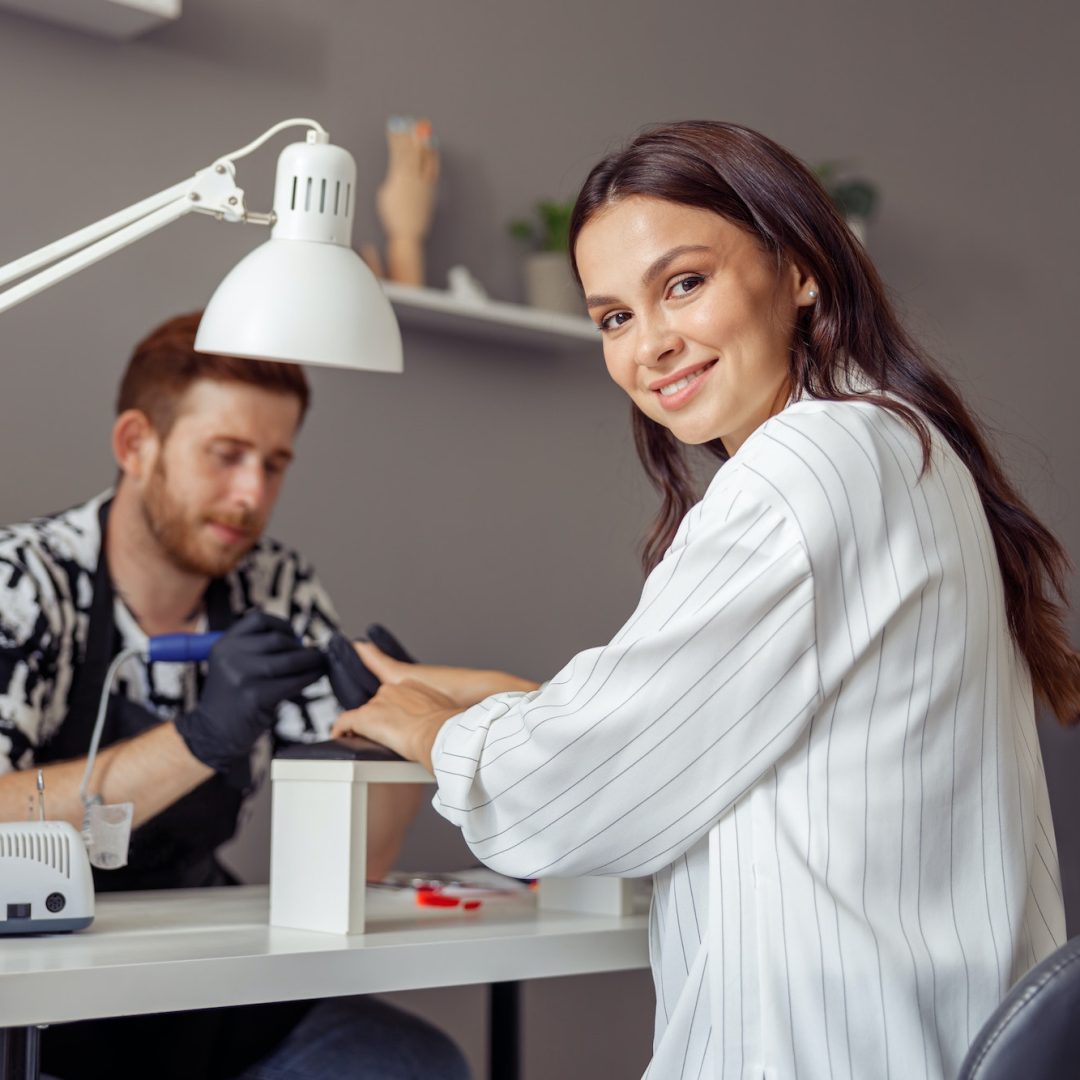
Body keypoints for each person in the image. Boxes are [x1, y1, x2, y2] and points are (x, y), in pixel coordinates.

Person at [332, 121, 1080, 1080]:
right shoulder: (899, 448)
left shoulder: (809, 463)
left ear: (799, 269)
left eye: (684, 283)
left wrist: (434, 731)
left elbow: (567, 803)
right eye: (613, 318)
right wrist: (516, 702)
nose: (652, 345)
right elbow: (760, 738)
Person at [0, 312, 469, 1080]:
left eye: (274, 464)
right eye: (226, 456)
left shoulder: (274, 587)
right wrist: (202, 736)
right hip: (42, 987)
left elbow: (363, 862)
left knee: (415, 1063)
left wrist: (387, 740)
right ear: (134, 445)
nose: (251, 495)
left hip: (200, 971)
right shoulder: (26, 584)